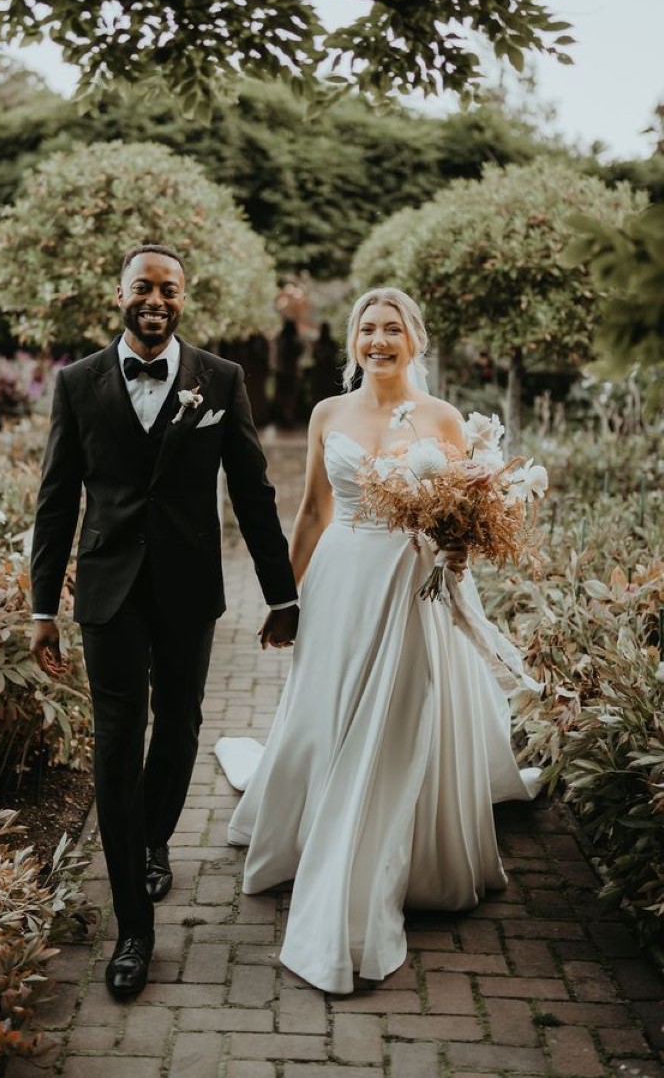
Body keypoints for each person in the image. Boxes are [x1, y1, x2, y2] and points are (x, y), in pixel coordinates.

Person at [220, 287, 541, 994]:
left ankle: (381, 857)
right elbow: (310, 511)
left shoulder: (443, 418)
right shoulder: (328, 412)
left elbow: (462, 520)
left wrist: (455, 559)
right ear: (354, 341)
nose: (378, 339)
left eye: (392, 328)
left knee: (399, 716)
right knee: (329, 706)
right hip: (339, 583)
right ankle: (318, 825)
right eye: (368, 328)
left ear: (414, 340)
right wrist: (284, 596)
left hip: (410, 587)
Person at [29, 243, 299, 1000]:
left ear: (184, 297)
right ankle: (133, 928)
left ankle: (153, 838)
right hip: (108, 592)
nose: (155, 299)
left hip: (187, 587)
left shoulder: (221, 379)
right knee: (118, 743)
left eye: (169, 288)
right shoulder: (77, 382)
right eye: (143, 286)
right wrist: (42, 606)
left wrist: (282, 595)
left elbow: (252, 491)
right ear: (119, 292)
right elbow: (57, 497)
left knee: (179, 724)